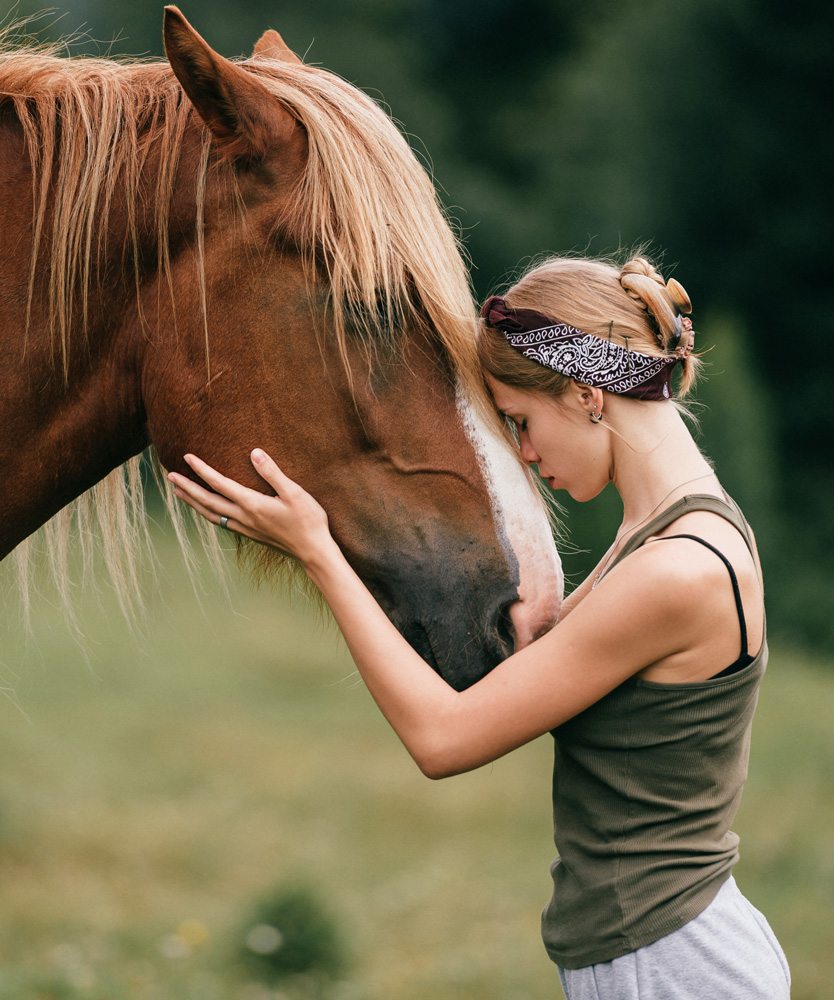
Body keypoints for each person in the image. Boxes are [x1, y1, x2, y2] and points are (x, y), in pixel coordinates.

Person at [168, 254, 790, 999]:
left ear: (589, 393)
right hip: (655, 949)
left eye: (521, 424)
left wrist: (320, 553)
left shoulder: (674, 572)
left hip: (671, 963)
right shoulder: (671, 531)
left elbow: (444, 740)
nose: (525, 454)